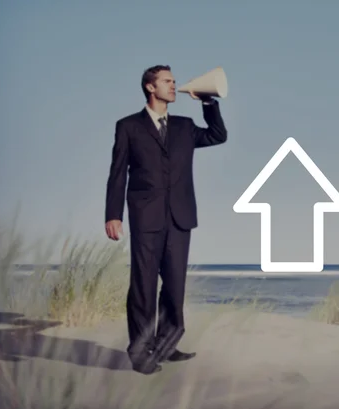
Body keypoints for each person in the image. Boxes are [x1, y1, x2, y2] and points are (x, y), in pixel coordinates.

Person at [104, 65, 227, 375]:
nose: (174, 86)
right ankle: (140, 351)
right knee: (143, 286)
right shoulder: (128, 127)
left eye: (174, 81)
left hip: (180, 217)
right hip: (145, 217)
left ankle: (166, 345)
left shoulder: (185, 127)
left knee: (174, 286)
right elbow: (118, 174)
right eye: (167, 81)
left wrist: (207, 102)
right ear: (150, 87)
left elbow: (217, 135)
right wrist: (113, 215)